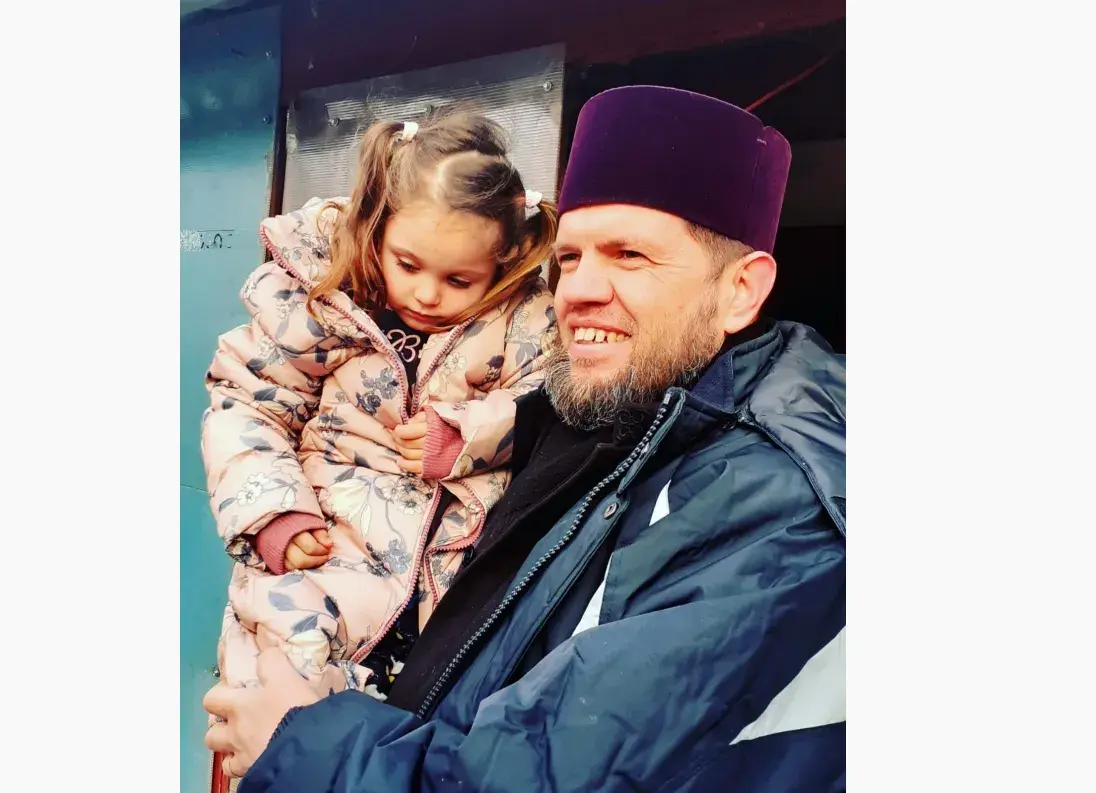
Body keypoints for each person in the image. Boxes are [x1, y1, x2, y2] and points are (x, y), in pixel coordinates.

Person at [204, 85, 846, 792]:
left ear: (741, 289)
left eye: (630, 254)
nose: (579, 290)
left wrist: (305, 746)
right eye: (569, 259)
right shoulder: (614, 411)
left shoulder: (774, 500)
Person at [200, 110, 559, 703]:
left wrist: (470, 436)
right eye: (407, 264)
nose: (426, 293)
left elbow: (550, 405)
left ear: (501, 261)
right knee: (276, 709)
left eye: (460, 280)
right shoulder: (321, 296)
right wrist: (274, 516)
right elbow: (247, 406)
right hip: (321, 561)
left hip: (448, 592)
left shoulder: (524, 321)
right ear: (377, 227)